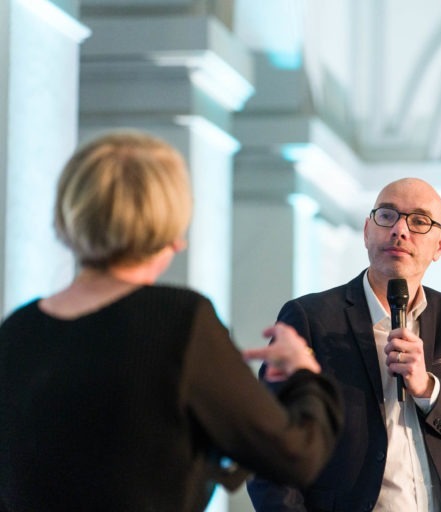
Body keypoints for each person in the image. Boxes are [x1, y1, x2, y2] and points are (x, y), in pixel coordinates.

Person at [0, 130, 343, 512]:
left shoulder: (16, 331)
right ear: (169, 226)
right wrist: (305, 377)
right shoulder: (179, 321)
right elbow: (297, 455)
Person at [247, 177, 441, 512]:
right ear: (367, 231)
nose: (400, 229)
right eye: (387, 215)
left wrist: (428, 388)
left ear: (440, 246)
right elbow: (268, 451)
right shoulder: (311, 318)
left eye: (419, 221)